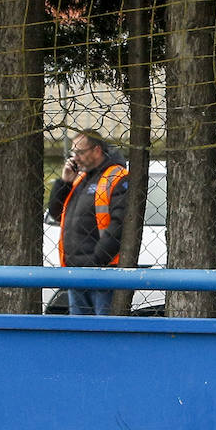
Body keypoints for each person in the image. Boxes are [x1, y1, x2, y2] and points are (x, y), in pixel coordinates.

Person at [47, 128, 129, 315]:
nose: (75, 158)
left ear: (97, 150)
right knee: (80, 332)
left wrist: (97, 260)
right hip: (76, 270)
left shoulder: (116, 177)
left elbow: (119, 225)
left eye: (80, 152)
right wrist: (65, 182)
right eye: (73, 152)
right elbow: (56, 212)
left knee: (102, 330)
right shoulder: (80, 178)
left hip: (101, 271)